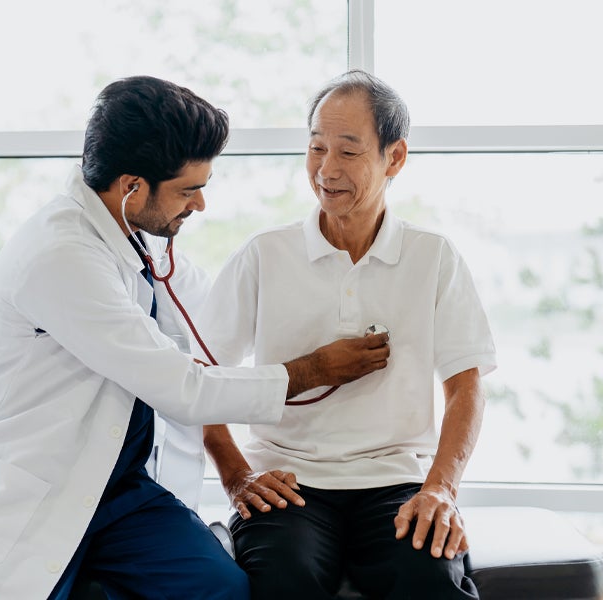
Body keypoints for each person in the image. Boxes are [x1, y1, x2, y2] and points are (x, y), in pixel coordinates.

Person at [0, 75, 394, 600]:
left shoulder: (141, 242)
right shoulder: (59, 255)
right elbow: (182, 387)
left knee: (222, 590)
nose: (201, 206)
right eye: (190, 190)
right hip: (31, 488)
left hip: (122, 494)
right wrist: (315, 369)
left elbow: (216, 320)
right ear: (131, 187)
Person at [197, 69, 497, 599]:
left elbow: (465, 387)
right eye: (316, 149)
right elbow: (200, 379)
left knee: (428, 577)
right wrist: (237, 476)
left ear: (394, 158)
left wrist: (441, 489)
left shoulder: (433, 257)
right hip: (288, 484)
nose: (326, 170)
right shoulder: (266, 254)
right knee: (282, 580)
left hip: (397, 479)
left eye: (349, 152)